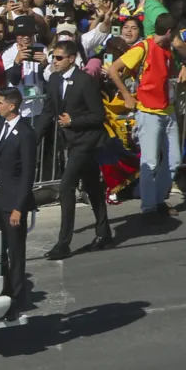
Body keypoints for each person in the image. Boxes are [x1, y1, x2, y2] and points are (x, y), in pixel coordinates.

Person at [107, 14, 186, 223]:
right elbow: (114, 69)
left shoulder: (167, 48)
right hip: (148, 112)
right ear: (169, 32)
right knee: (150, 162)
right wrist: (126, 95)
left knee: (173, 160)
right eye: (175, 32)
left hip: (168, 112)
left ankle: (159, 200)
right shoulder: (143, 48)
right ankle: (149, 207)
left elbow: (170, 72)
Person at [44, 42, 111, 260]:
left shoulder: (85, 82)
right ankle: (104, 232)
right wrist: (31, 140)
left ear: (71, 59)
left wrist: (74, 120)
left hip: (87, 141)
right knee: (92, 186)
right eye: (53, 57)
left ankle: (63, 243)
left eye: (59, 58)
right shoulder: (54, 80)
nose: (54, 61)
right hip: (71, 141)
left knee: (66, 187)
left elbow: (98, 115)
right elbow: (48, 111)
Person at [0, 87, 36, 320]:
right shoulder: (0, 126)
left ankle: (16, 298)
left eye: (0, 102)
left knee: (15, 252)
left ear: (12, 106)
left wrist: (19, 208)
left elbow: (27, 174)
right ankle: (2, 292)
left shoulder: (25, 133)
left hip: (12, 203)